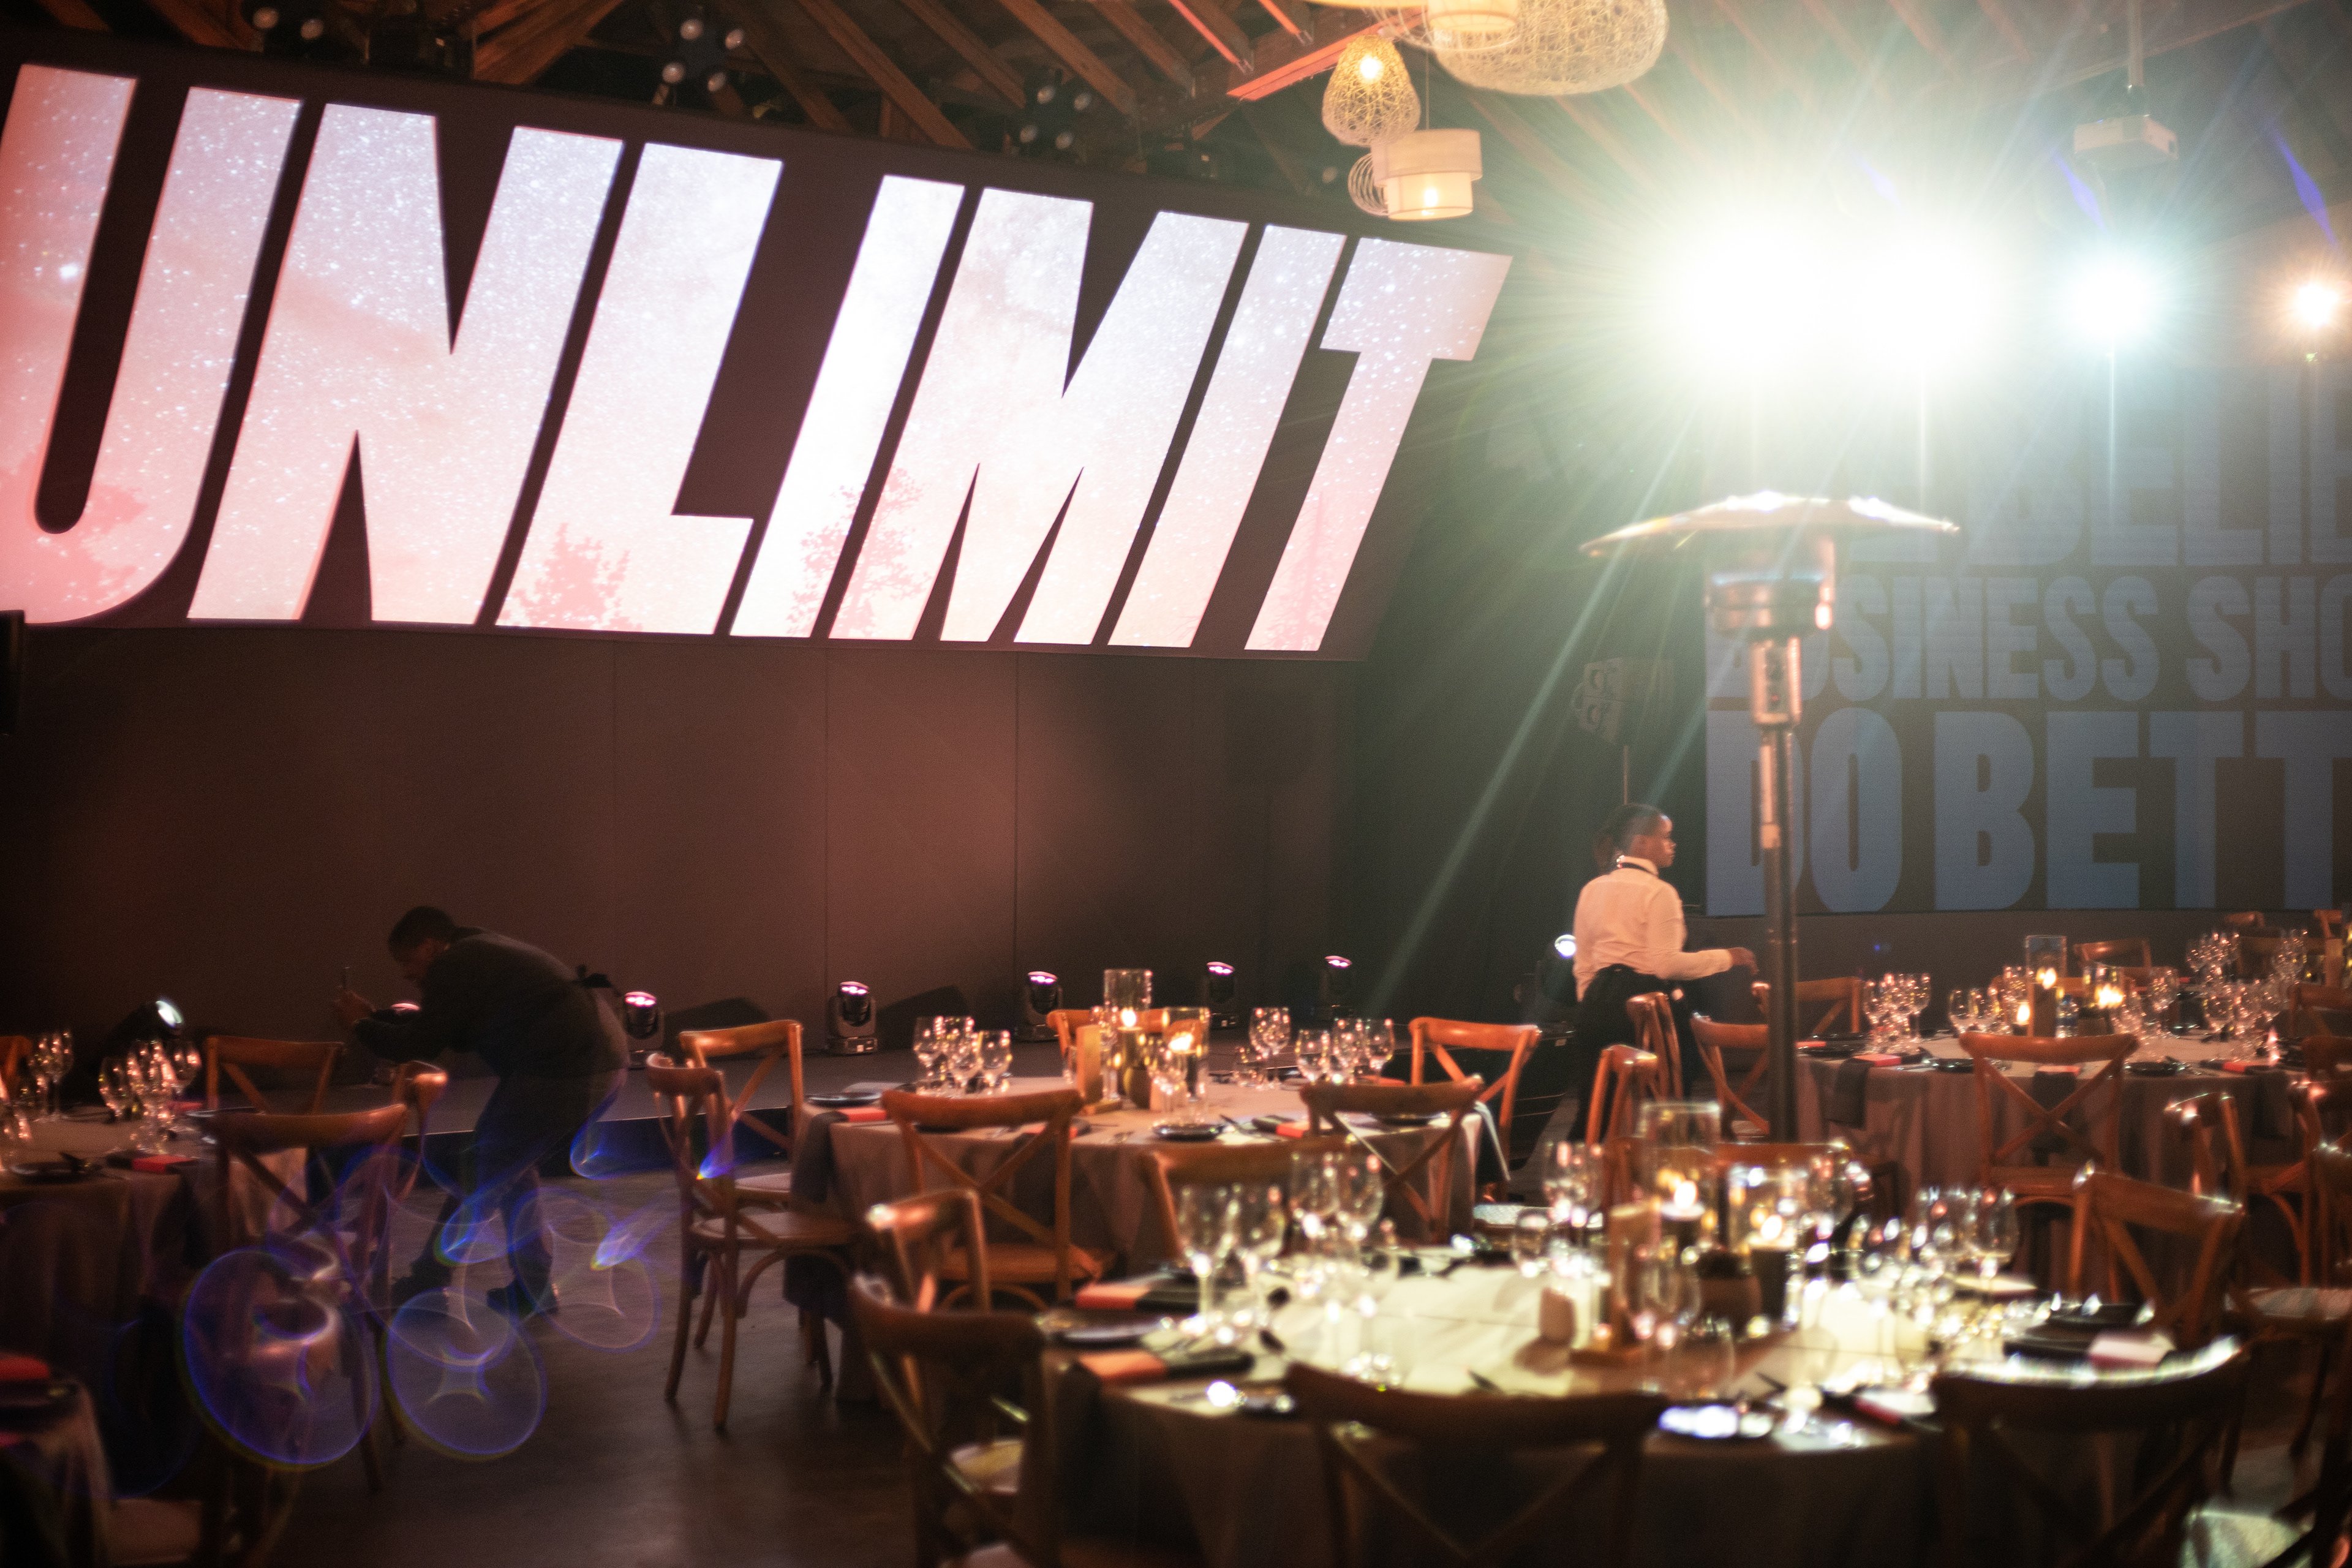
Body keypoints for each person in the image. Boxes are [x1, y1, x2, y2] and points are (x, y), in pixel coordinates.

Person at [333, 906, 624, 1317]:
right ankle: (534, 1289)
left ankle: (429, 1282)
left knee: (481, 1169)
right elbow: (442, 1025)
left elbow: (418, 1044)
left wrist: (360, 1026)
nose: (406, 974)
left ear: (429, 947)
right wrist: (373, 1018)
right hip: (592, 1062)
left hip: (567, 1068)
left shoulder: (455, 962)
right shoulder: (475, 951)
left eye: (407, 961)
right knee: (510, 1168)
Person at [1571, 804, 1754, 1107]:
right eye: (1666, 836)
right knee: (1666, 1103)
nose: (1673, 844)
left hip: (1597, 1005)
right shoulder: (1659, 892)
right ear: (1641, 843)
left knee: (1597, 1108)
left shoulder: (1592, 889)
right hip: (1647, 1007)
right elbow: (1666, 965)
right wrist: (1727, 958)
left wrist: (1592, 1004)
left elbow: (1585, 965)